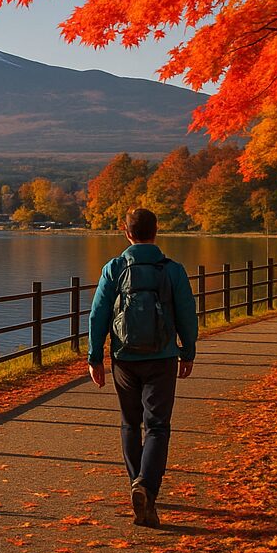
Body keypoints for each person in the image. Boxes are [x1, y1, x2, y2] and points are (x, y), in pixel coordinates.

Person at [86, 207, 197, 528]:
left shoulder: (115, 268)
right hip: (162, 358)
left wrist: (95, 357)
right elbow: (187, 314)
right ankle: (147, 487)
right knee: (158, 426)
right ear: (156, 231)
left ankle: (138, 484)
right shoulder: (172, 270)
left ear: (126, 232)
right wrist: (187, 351)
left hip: (124, 358)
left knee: (131, 424)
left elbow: (98, 315)